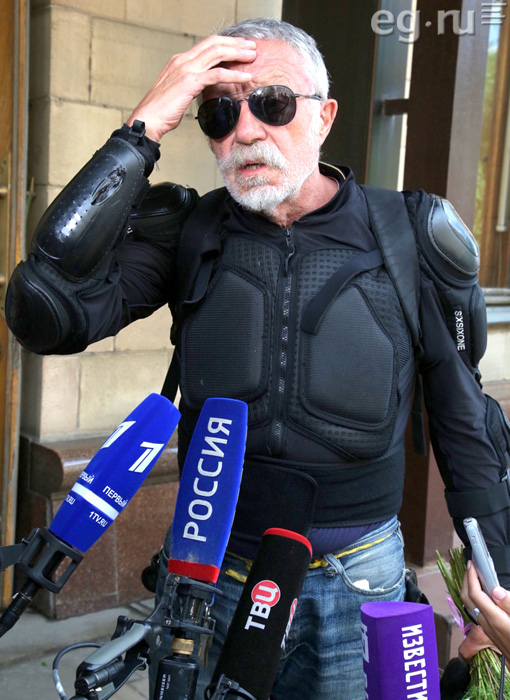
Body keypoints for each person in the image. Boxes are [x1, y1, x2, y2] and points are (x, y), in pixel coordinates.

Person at [5, 17, 510, 700]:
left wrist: (499, 582)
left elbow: (461, 415)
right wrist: (141, 130)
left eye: (272, 103)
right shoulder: (188, 230)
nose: (244, 131)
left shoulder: (409, 233)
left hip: (360, 581)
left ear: (325, 116)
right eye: (218, 113)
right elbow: (43, 311)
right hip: (212, 574)